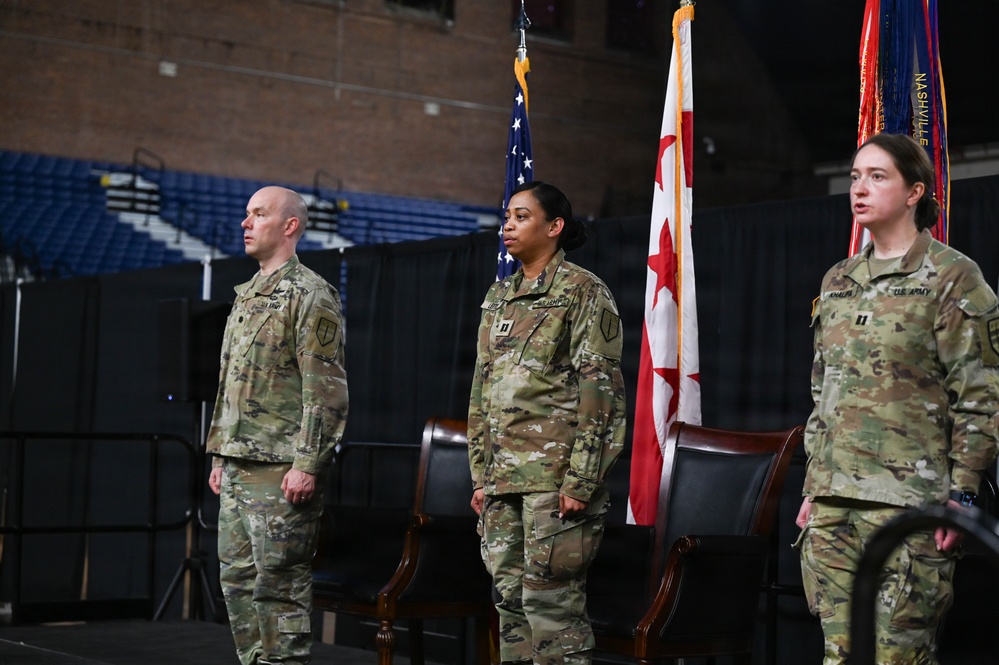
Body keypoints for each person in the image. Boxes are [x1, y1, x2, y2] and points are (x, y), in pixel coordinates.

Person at [794, 133, 999, 664]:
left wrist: (964, 495)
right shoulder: (838, 279)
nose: (860, 189)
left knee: (898, 657)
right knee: (839, 656)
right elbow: (824, 390)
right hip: (833, 504)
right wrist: (814, 487)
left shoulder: (954, 276)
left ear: (915, 192)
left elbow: (981, 393)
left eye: (878, 177)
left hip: (910, 504)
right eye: (857, 177)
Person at [468, 181, 626, 665]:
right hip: (502, 480)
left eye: (521, 216)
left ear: (554, 227)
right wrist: (481, 475)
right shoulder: (499, 295)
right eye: (507, 216)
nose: (508, 225)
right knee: (510, 603)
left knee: (552, 609)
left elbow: (601, 394)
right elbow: (482, 391)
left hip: (554, 480)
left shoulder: (583, 291)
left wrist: (581, 480)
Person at [207, 185, 348, 665]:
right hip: (239, 464)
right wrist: (221, 454)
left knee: (279, 589)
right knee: (238, 583)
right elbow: (233, 381)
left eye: (258, 214)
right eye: (246, 214)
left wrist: (308, 463)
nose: (245, 223)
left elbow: (324, 389)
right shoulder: (246, 295)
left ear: (290, 226)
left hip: (280, 470)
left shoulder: (310, 294)